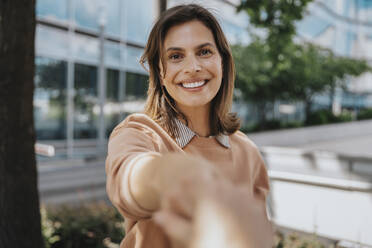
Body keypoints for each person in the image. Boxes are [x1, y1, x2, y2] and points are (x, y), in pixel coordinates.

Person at [105, 4, 273, 248]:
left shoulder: (248, 153)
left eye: (204, 52)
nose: (192, 67)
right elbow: (127, 179)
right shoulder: (138, 133)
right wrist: (176, 177)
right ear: (160, 73)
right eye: (175, 56)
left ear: (223, 62)